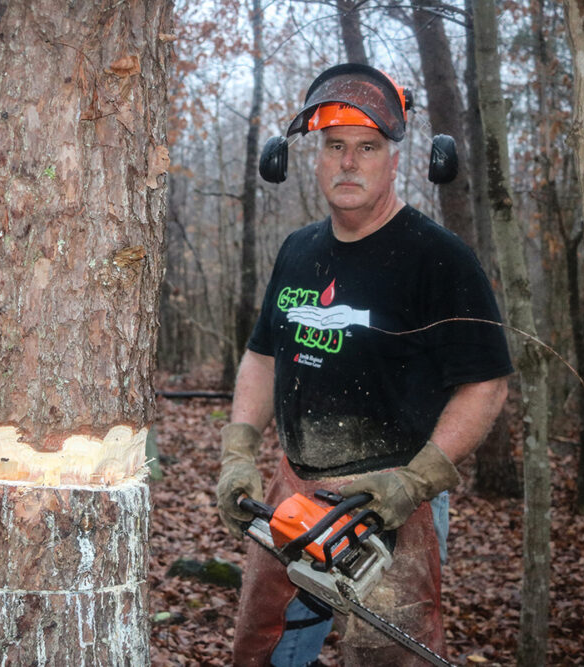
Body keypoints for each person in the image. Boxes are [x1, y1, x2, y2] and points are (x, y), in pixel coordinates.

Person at [216, 63, 513, 666]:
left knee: (387, 655)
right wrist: (237, 452)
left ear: (396, 160)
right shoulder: (298, 251)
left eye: (367, 147)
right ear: (314, 158)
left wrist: (416, 481)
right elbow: (262, 355)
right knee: (263, 645)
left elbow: (485, 384)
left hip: (390, 495)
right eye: (334, 147)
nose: (348, 163)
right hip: (293, 488)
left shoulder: (438, 257)